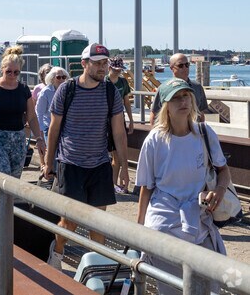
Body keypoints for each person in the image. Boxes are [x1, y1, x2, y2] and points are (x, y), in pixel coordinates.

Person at [136, 78, 230, 295]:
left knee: (208, 287)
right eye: (176, 98)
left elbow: (223, 171)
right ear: (165, 105)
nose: (183, 102)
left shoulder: (205, 133)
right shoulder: (155, 140)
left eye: (186, 96)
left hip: (199, 221)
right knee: (172, 289)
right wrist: (138, 230)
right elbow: (146, 188)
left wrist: (220, 191)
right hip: (165, 222)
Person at [43, 43, 128, 271]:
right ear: (84, 64)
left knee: (98, 224)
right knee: (69, 223)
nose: (102, 68)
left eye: (105, 63)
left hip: (99, 165)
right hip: (70, 164)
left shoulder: (110, 92)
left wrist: (125, 169)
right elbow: (54, 128)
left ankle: (96, 270)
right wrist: (48, 162)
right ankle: (57, 254)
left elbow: (119, 132)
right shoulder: (67, 90)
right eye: (97, 63)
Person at [0, 46, 45, 179]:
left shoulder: (23, 89)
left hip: (18, 140)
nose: (12, 75)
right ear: (2, 70)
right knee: (3, 178)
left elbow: (31, 117)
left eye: (16, 72)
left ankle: (7, 201)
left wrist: (39, 138)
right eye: (9, 72)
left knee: (14, 181)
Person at [149, 53, 207, 125]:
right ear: (171, 68)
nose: (185, 68)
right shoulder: (163, 89)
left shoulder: (197, 87)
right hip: (172, 133)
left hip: (194, 132)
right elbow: (154, 115)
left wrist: (201, 132)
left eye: (187, 65)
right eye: (180, 66)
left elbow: (201, 113)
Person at [106, 56, 135, 193]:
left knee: (118, 155)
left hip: (119, 118)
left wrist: (130, 120)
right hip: (105, 121)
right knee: (109, 154)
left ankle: (113, 183)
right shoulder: (104, 82)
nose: (118, 72)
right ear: (110, 68)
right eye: (115, 69)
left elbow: (127, 101)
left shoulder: (123, 82)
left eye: (119, 70)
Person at [35, 66, 68, 147]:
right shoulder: (46, 92)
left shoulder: (68, 90)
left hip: (65, 127)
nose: (62, 80)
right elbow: (39, 113)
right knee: (52, 152)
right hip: (49, 127)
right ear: (52, 79)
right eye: (58, 77)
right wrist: (40, 132)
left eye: (64, 77)